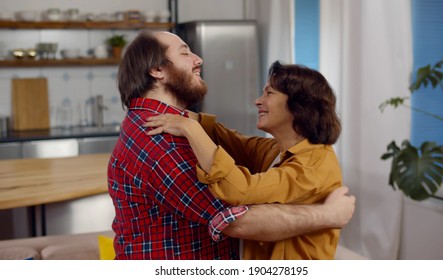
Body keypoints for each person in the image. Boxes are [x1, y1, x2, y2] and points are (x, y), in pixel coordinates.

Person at [107, 30, 355, 260]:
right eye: (185, 52)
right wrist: (329, 215)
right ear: (157, 70)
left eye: (269, 94)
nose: (198, 59)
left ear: (298, 107)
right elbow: (236, 220)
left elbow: (236, 159)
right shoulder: (162, 138)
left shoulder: (159, 125)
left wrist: (190, 124)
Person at [145, 60, 344, 260]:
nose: (258, 101)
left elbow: (240, 189)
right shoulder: (276, 149)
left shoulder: (312, 165)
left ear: (299, 105)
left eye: (269, 93)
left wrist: (190, 129)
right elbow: (234, 141)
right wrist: (184, 117)